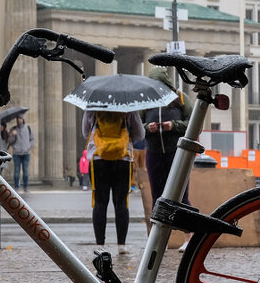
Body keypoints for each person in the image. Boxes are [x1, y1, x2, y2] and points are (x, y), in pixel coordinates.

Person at [82, 108, 144, 253]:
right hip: (123, 158)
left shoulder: (92, 108)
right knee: (121, 202)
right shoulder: (128, 107)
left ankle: (100, 244)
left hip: (98, 158)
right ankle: (121, 245)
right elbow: (140, 134)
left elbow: (86, 133)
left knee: (100, 202)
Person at [142, 66, 192, 215]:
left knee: (181, 194)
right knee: (157, 196)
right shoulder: (146, 99)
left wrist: (173, 125)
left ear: (166, 83)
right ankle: (158, 235)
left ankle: (189, 233)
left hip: (176, 153)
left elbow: (194, 124)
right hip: (154, 153)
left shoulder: (181, 98)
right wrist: (147, 128)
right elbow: (137, 126)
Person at [6, 115, 34, 192]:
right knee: (17, 171)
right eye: (18, 118)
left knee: (26, 171)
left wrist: (28, 147)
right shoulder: (13, 129)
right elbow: (10, 141)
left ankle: (25, 187)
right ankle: (16, 187)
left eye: (21, 118)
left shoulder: (28, 128)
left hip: (26, 153)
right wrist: (13, 135)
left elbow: (32, 139)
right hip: (17, 153)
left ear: (23, 119)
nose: (19, 120)